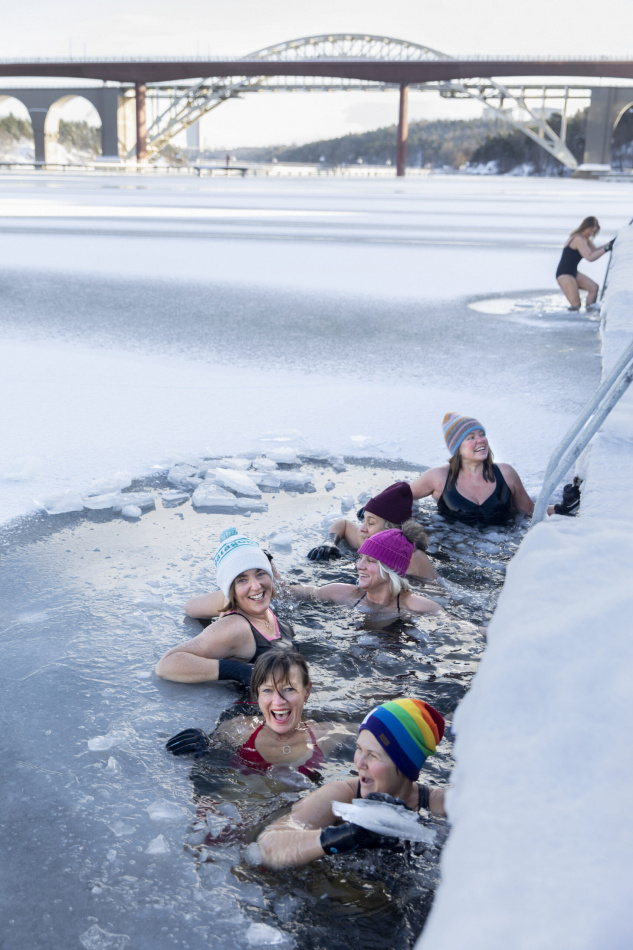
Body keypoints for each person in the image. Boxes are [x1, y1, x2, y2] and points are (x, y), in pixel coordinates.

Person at [252, 698, 447, 869]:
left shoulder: (437, 806)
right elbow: (267, 846)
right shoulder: (341, 796)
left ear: (405, 766)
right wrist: (350, 834)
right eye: (359, 749)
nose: (359, 762)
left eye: (372, 755)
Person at [166, 651, 353, 780]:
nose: (278, 701)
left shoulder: (327, 735)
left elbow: (375, 735)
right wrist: (205, 752)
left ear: (306, 691)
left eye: (289, 689)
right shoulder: (238, 730)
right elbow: (212, 773)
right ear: (257, 693)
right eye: (268, 691)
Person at [155, 528, 296, 685]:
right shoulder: (236, 627)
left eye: (260, 573)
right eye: (242, 580)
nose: (256, 586)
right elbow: (166, 664)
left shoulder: (260, 606)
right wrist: (240, 671)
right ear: (231, 589)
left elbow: (191, 607)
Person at [410, 413, 579, 526]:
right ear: (457, 448)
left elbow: (529, 509)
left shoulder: (505, 474)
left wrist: (561, 508)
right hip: (454, 553)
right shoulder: (438, 477)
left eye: (481, 434)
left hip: (500, 553)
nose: (480, 440)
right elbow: (400, 496)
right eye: (471, 437)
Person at [289, 526, 444, 620]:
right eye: (361, 558)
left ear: (391, 570)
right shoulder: (343, 593)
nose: (359, 566)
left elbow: (460, 629)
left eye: (370, 561)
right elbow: (295, 591)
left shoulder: (415, 605)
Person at [307, 481, 437, 581]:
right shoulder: (367, 539)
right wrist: (330, 542)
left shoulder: (413, 558)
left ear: (391, 528)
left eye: (371, 522)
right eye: (364, 520)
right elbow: (344, 524)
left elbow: (435, 594)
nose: (363, 528)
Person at [555, 216, 614, 312]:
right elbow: (590, 257)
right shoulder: (578, 239)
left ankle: (590, 312)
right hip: (564, 274)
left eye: (594, 232)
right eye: (590, 230)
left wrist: (610, 243)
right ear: (585, 227)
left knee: (594, 288)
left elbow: (595, 250)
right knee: (576, 305)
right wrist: (607, 248)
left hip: (573, 271)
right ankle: (574, 323)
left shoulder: (586, 240)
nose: (591, 234)